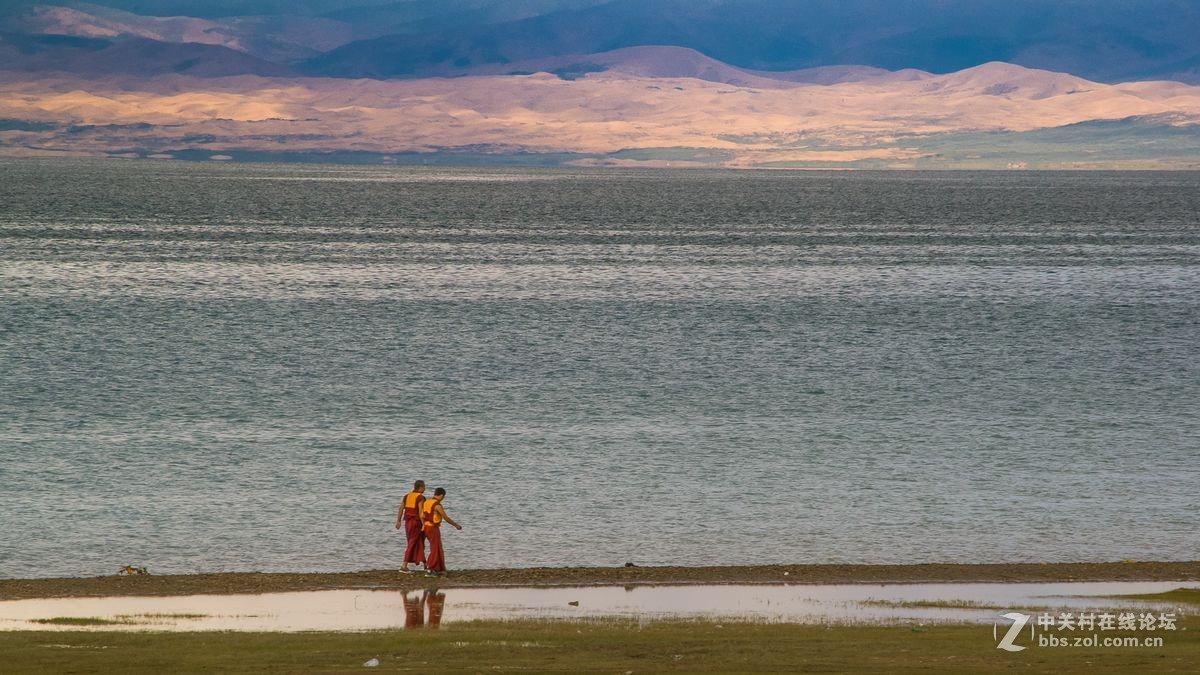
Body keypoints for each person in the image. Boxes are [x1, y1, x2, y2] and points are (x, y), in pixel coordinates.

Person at [420, 487, 462, 577]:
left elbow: (421, 515)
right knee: (435, 548)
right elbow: (446, 518)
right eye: (443, 497)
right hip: (432, 528)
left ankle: (438, 568)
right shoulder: (437, 505)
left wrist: (423, 525)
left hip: (426, 527)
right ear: (442, 495)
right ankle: (430, 569)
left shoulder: (427, 502)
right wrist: (456, 525)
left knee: (437, 547)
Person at [395, 480, 427, 572]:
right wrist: (424, 524)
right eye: (424, 487)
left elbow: (401, 508)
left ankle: (425, 564)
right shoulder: (420, 497)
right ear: (420, 487)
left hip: (408, 523)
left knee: (419, 542)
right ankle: (404, 565)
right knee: (412, 543)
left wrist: (398, 521)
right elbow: (421, 512)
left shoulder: (407, 496)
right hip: (416, 522)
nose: (425, 489)